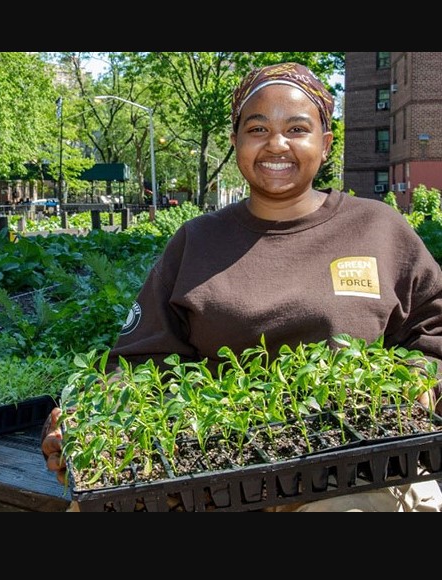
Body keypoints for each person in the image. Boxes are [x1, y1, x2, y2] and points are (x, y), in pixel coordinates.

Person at [41, 61, 442, 512]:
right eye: (257, 129)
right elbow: (137, 364)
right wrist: (86, 422)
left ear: (325, 144)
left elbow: (434, 332)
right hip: (212, 473)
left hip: (356, 472)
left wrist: (415, 383)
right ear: (235, 143)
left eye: (297, 128)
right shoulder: (196, 241)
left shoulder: (377, 228)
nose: (276, 144)